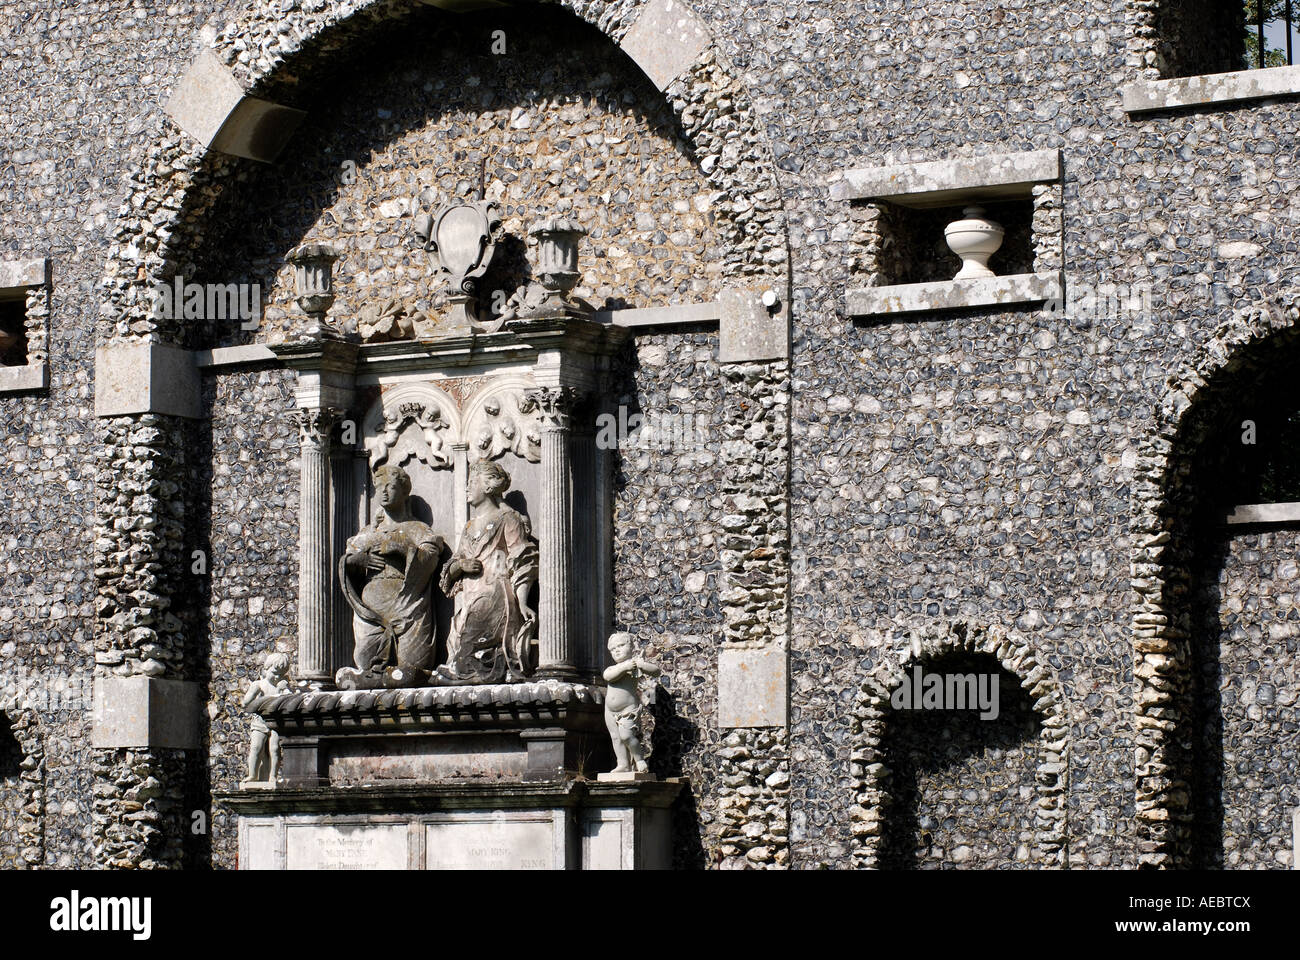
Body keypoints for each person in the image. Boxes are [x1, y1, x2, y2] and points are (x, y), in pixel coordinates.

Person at [337, 464, 443, 689]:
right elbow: (347, 561)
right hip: (370, 608)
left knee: (414, 667)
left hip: (408, 605)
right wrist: (356, 561)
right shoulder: (367, 534)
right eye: (378, 487)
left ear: (404, 492)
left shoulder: (417, 529)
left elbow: (431, 556)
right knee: (366, 663)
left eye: (390, 487)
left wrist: (403, 548)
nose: (383, 492)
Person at [434, 459, 538, 684]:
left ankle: (473, 671)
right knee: (462, 638)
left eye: (472, 482)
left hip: (495, 594)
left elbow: (522, 559)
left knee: (470, 646)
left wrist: (522, 601)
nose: (467, 487)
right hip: (471, 596)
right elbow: (454, 564)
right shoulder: (469, 527)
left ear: (489, 486)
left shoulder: (507, 519)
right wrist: (459, 566)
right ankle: (472, 671)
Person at [603, 632, 661, 774]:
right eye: (613, 649)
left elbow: (656, 671)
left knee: (626, 736)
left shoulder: (635, 666)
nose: (616, 650)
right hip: (609, 710)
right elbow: (608, 676)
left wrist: (641, 664)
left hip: (628, 708)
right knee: (616, 738)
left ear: (631, 647)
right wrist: (624, 667)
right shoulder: (613, 668)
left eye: (621, 645)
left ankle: (639, 759)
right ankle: (623, 764)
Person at [242, 651, 290, 783]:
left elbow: (290, 701)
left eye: (280, 675)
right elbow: (245, 703)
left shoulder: (281, 686)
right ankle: (252, 775)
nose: (277, 677)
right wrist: (253, 693)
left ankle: (272, 776)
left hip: (275, 723)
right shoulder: (259, 685)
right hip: (259, 722)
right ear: (266, 669)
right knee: (256, 747)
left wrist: (284, 690)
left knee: (274, 749)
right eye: (274, 673)